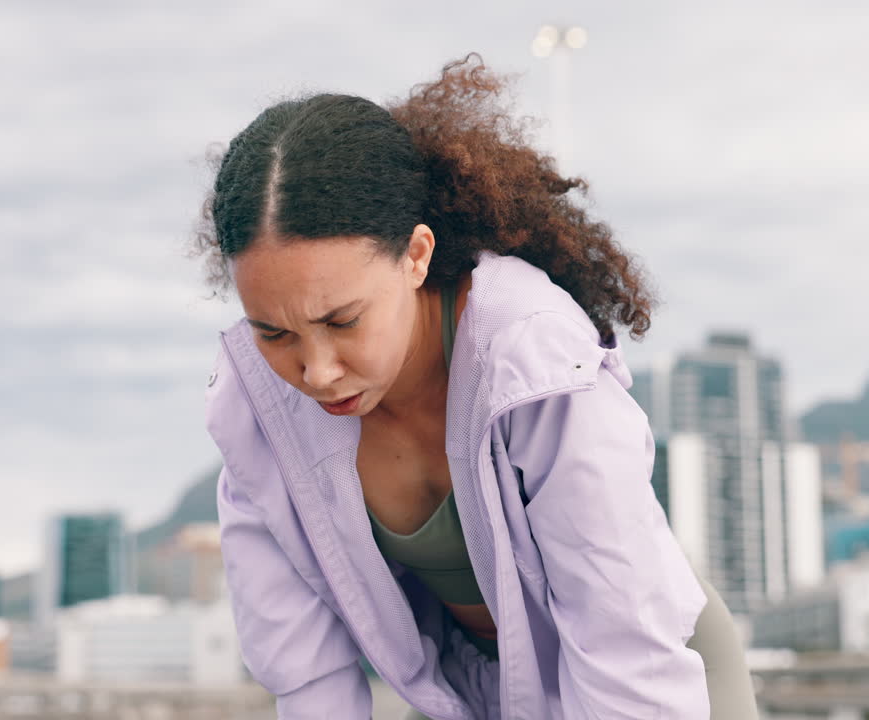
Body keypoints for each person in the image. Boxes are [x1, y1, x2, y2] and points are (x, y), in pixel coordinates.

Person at [195, 54, 758, 719]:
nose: (315, 371)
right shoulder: (259, 412)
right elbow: (304, 671)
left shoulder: (533, 358)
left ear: (417, 255)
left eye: (342, 320)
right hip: (468, 686)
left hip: (648, 668)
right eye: (274, 333)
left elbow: (620, 636)